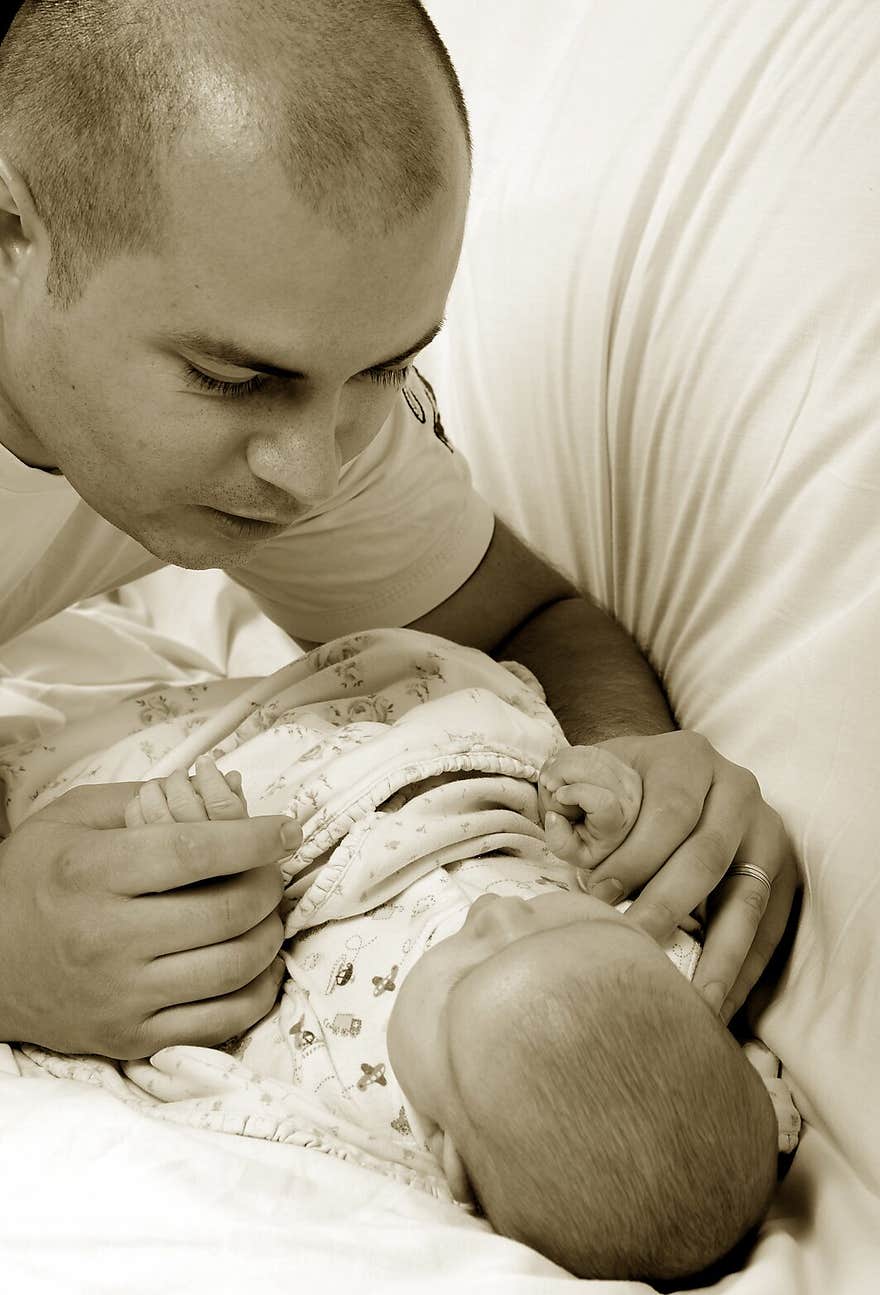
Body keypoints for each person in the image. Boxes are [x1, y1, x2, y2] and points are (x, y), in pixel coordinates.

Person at [0, 0, 794, 1062]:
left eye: (381, 369)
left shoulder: (308, 411)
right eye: (234, 380)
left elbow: (526, 619)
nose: (314, 469)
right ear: (11, 237)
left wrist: (633, 775)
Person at [14, 629, 790, 1283]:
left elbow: (175, 1061)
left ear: (449, 1156)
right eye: (568, 922)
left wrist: (191, 856)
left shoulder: (349, 1115)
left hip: (244, 832)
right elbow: (734, 1087)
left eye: (469, 968)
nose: (498, 913)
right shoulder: (672, 1000)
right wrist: (609, 796)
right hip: (422, 738)